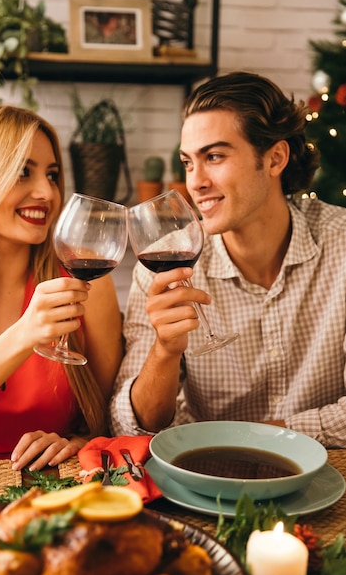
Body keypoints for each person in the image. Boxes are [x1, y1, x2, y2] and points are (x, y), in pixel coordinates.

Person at [110, 70, 346, 448]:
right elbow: (130, 427)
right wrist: (165, 351)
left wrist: (257, 439)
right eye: (188, 163)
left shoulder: (342, 246)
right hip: (206, 487)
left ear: (275, 158)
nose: (195, 182)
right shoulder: (164, 267)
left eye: (214, 156)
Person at [0, 104, 123, 470]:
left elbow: (110, 417)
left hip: (54, 488)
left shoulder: (85, 284)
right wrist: (24, 335)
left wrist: (75, 442)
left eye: (51, 175)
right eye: (23, 172)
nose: (47, 193)